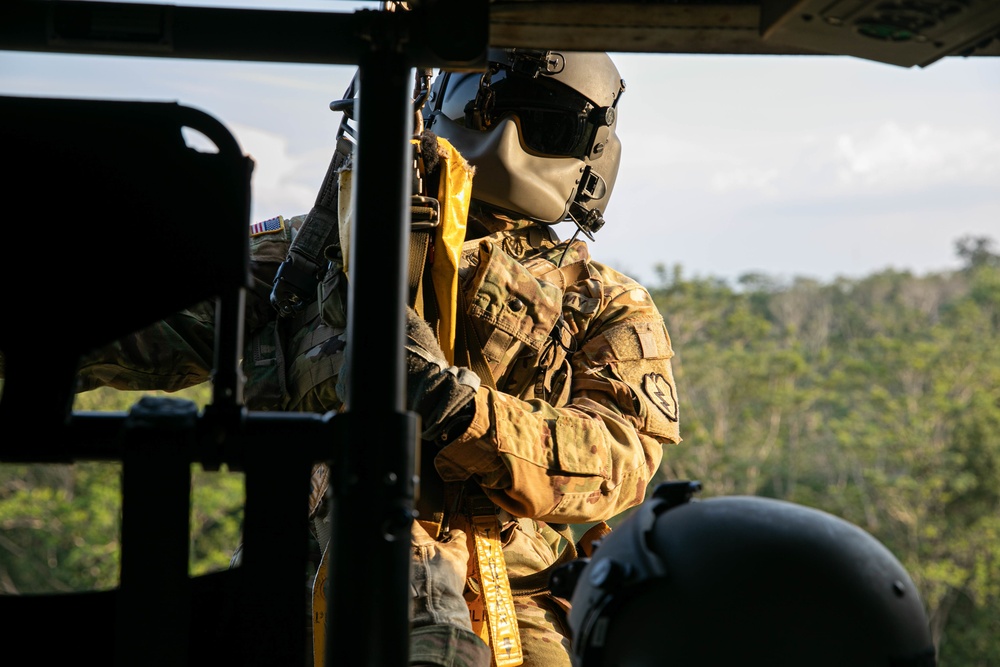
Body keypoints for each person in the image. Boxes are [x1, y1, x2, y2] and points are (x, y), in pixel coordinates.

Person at [63, 47, 683, 667]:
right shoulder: (307, 255)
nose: (503, 136)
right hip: (297, 573)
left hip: (502, 600)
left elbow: (618, 466)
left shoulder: (602, 301)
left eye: (542, 120)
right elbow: (120, 335)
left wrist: (455, 406)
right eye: (481, 108)